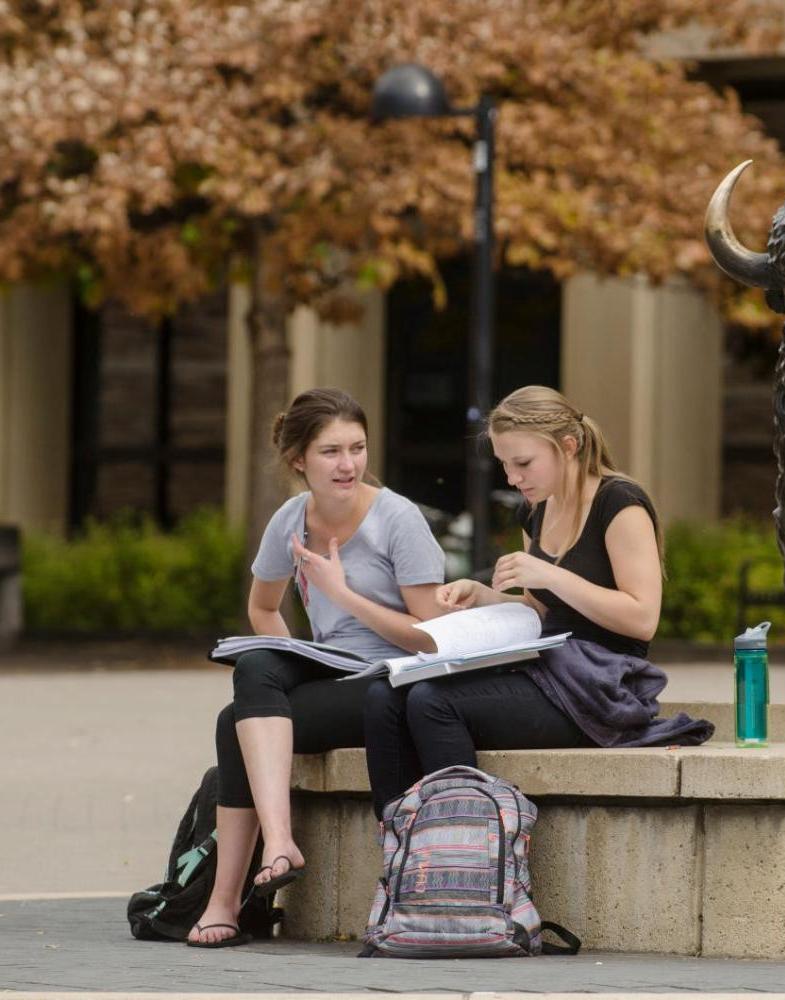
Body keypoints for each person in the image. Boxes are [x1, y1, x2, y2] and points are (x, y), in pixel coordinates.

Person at [364, 386, 712, 815]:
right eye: (505, 465)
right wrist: (482, 597)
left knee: (433, 702)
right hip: (546, 667)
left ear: (568, 446)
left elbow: (642, 619)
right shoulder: (535, 511)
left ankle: (468, 845)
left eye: (523, 463)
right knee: (384, 697)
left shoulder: (619, 504)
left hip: (601, 686)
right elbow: (538, 611)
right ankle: (403, 844)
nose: (512, 478)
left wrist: (551, 574)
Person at [187, 388, 446, 947]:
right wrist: (294, 656)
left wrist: (342, 594)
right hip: (332, 670)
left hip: (390, 682)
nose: (348, 464)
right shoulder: (289, 519)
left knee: (233, 724)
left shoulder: (398, 520)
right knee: (256, 667)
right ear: (299, 459)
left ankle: (226, 902)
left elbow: (432, 637)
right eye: (331, 451)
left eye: (357, 448)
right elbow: (262, 607)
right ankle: (275, 847)